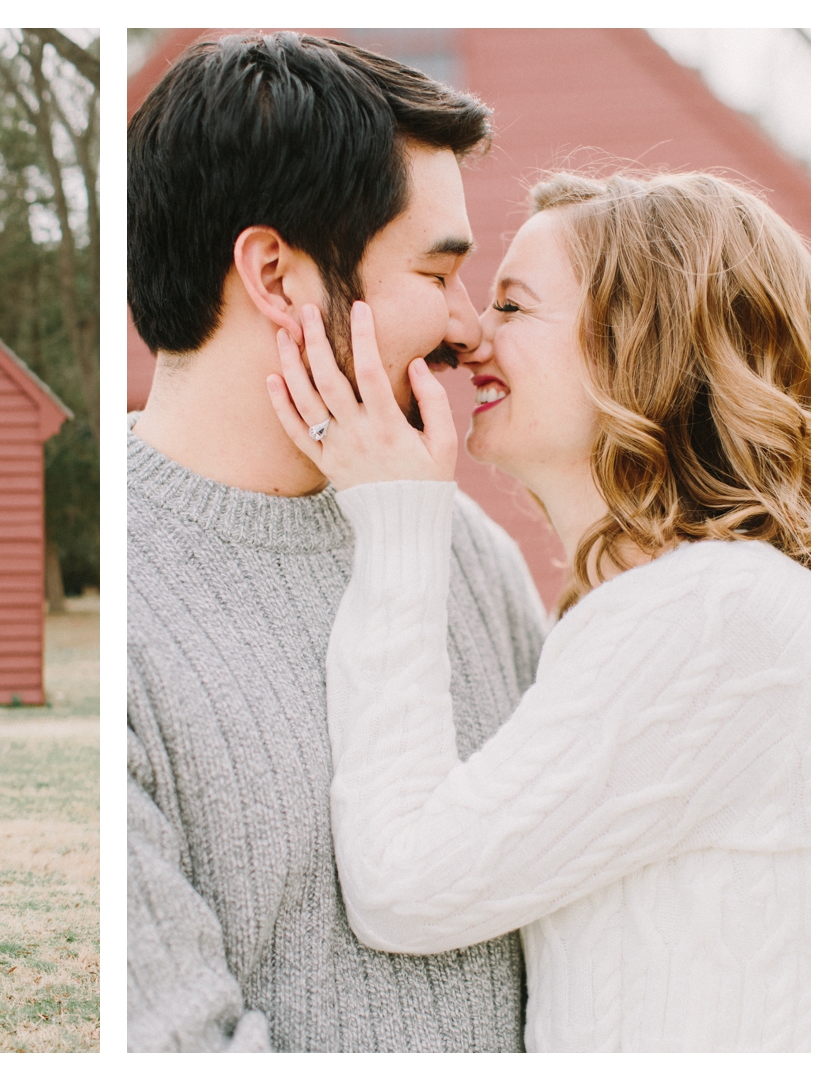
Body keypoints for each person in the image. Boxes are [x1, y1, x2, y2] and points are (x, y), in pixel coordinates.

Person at [269, 171, 810, 1051]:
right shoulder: (659, 610)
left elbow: (403, 883)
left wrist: (398, 519)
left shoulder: (717, 616)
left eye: (514, 307)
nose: (472, 336)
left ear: (641, 344)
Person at [126, 33, 549, 1052]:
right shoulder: (127, 626)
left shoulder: (463, 548)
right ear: (276, 273)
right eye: (437, 272)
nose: (465, 328)